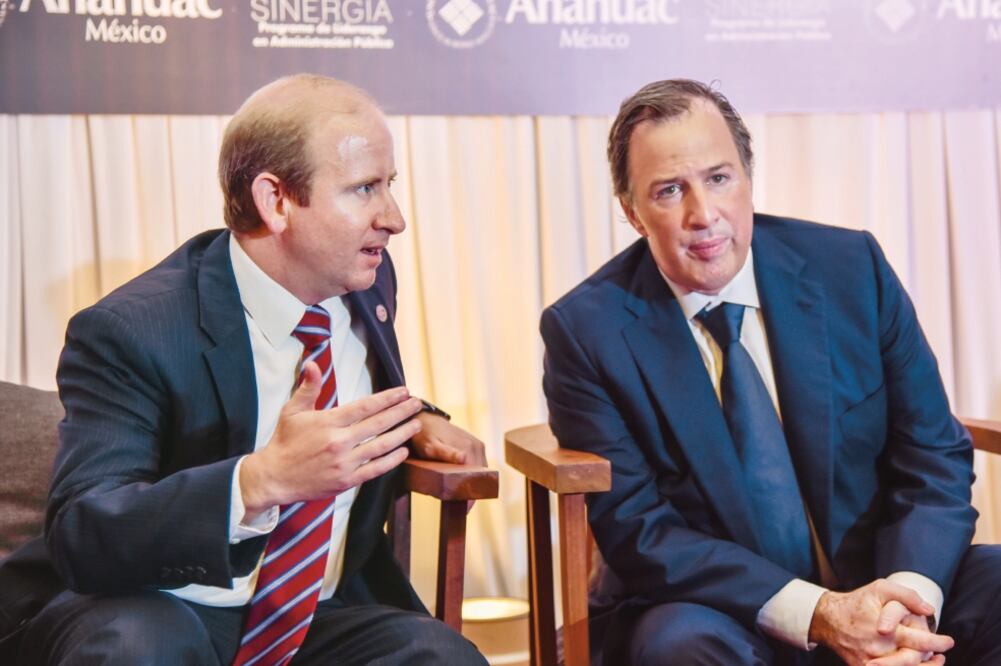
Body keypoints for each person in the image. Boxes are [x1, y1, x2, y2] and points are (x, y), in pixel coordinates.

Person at [3, 73, 488, 665]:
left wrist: (416, 417)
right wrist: (261, 481)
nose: (394, 218)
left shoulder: (366, 277)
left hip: (315, 612)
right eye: (364, 189)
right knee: (137, 648)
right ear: (275, 200)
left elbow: (336, 390)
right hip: (163, 602)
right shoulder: (132, 330)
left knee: (442, 656)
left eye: (389, 185)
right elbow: (83, 530)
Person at [541, 79, 1001, 666]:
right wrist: (822, 614)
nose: (703, 214)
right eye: (669, 190)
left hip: (880, 585)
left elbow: (932, 453)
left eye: (719, 178)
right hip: (723, 610)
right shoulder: (588, 331)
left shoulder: (851, 269)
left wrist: (904, 609)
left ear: (748, 178)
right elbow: (640, 531)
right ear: (633, 213)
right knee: (679, 647)